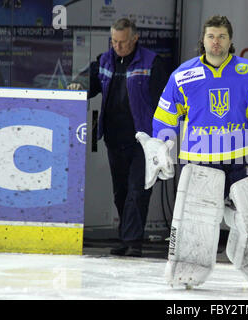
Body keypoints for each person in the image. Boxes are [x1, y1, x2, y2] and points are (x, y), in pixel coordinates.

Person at [136, 16, 248, 288]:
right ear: (202, 41)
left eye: (222, 37)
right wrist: (160, 146)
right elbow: (166, 116)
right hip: (200, 160)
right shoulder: (183, 75)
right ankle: (187, 265)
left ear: (231, 40)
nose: (216, 42)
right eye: (211, 37)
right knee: (196, 222)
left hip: (245, 158)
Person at [68, 18, 168, 257]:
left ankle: (133, 241)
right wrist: (76, 85)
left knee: (137, 191)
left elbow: (164, 102)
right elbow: (88, 83)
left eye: (123, 42)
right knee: (121, 192)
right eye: (114, 41)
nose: (118, 46)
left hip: (143, 142)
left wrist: (162, 138)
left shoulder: (152, 63)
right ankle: (126, 237)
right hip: (114, 138)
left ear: (135, 39)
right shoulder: (105, 60)